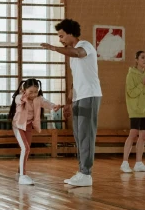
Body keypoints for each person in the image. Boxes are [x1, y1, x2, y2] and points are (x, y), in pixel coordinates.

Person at [40, 19, 101, 187]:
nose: (60, 40)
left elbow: (78, 53)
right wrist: (68, 103)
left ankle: (86, 174)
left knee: (86, 134)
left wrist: (54, 49)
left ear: (70, 33)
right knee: (79, 135)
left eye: (61, 36)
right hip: (79, 97)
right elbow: (75, 82)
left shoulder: (85, 45)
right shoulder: (71, 57)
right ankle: (82, 171)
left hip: (90, 96)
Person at [8, 78, 60, 185]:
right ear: (24, 90)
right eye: (30, 92)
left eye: (35, 92)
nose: (33, 94)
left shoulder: (38, 99)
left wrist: (54, 106)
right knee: (25, 148)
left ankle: (19, 173)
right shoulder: (19, 97)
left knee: (26, 149)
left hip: (28, 126)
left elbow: (46, 103)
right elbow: (19, 100)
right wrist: (24, 96)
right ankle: (23, 175)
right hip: (18, 126)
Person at [122, 50, 145, 173]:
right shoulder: (131, 75)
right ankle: (125, 162)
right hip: (135, 109)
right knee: (133, 133)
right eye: (142, 57)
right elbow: (131, 93)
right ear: (136, 59)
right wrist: (142, 84)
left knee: (143, 136)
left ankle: (139, 163)